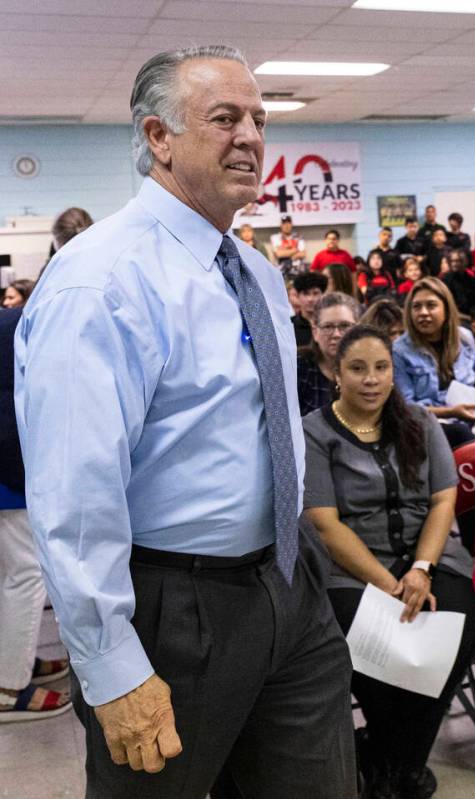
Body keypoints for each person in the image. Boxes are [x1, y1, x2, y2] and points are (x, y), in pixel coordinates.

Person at [14, 45, 354, 796]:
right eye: (224, 118)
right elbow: (74, 496)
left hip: (289, 587)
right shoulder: (102, 282)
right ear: (158, 137)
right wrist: (111, 663)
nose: (251, 137)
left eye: (259, 119)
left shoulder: (256, 272)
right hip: (172, 610)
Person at [303, 325, 475, 799]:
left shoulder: (419, 421)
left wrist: (421, 569)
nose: (371, 379)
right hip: (352, 571)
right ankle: (403, 768)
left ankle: (385, 759)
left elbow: (443, 501)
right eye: (357, 368)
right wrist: (389, 583)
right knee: (372, 650)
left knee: (458, 627)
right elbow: (325, 524)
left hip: (432, 558)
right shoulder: (314, 432)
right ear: (336, 374)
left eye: (381, 368)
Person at [1, 306, 72, 723]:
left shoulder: (19, 319)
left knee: (12, 574)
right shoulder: (32, 321)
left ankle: (14, 665)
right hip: (10, 467)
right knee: (25, 574)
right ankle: (9, 687)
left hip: (9, 460)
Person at [393, 276, 475, 448]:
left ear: (446, 309)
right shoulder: (399, 350)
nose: (423, 312)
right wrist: (450, 412)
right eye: (416, 307)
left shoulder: (464, 337)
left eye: (431, 305)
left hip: (471, 418)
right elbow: (407, 407)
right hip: (429, 425)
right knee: (459, 432)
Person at [297, 292, 361, 416]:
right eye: (328, 327)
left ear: (357, 329)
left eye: (344, 326)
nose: (336, 334)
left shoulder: (371, 366)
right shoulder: (298, 367)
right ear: (315, 331)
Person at [440, 249, 475, 320]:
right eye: (452, 261)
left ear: (464, 262)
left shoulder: (471, 279)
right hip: (454, 317)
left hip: (471, 314)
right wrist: (468, 318)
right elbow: (447, 306)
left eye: (457, 261)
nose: (454, 264)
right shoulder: (445, 280)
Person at [291, 271, 329, 346]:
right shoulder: (289, 326)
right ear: (298, 296)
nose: (310, 299)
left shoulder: (330, 323)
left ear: (323, 295)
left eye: (315, 293)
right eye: (306, 294)